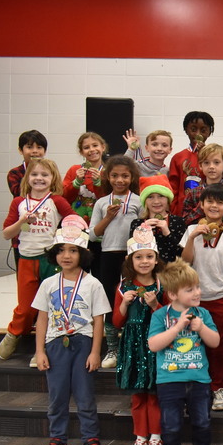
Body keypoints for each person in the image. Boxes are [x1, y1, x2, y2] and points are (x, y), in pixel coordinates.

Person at [31, 215, 110, 445]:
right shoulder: (48, 284)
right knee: (57, 395)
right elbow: (42, 319)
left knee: (85, 395)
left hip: (83, 343)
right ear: (54, 253)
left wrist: (96, 352)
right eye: (62, 250)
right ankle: (58, 440)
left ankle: (91, 440)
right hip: (55, 344)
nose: (67, 256)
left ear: (82, 254)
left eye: (73, 251)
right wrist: (40, 351)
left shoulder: (93, 284)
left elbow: (99, 321)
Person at [148, 259, 221, 445]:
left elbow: (215, 341)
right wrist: (178, 326)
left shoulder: (203, 314)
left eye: (197, 287)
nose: (197, 292)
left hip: (199, 379)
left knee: (202, 420)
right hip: (169, 380)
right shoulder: (161, 316)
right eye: (190, 289)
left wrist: (201, 329)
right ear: (172, 294)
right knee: (170, 422)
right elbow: (153, 345)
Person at [0, 158, 74, 364]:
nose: (39, 178)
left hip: (50, 260)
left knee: (51, 305)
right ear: (27, 178)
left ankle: (43, 349)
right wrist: (22, 221)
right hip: (26, 259)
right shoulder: (18, 203)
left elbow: (75, 222)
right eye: (35, 174)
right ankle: (14, 333)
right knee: (26, 307)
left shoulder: (56, 201)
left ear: (53, 179)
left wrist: (62, 242)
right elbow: (6, 233)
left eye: (44, 175)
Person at [178, 183, 223, 412]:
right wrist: (192, 237)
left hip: (221, 298)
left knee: (219, 347)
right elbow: (185, 262)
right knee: (193, 344)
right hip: (195, 298)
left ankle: (218, 387)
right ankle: (196, 389)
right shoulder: (191, 230)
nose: (214, 206)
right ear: (202, 204)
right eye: (210, 201)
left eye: (220, 202)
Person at [113, 226, 165, 445]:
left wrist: (155, 305)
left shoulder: (162, 284)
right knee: (137, 395)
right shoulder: (124, 285)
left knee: (154, 394)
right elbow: (116, 321)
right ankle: (140, 437)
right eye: (139, 257)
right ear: (130, 260)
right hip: (133, 346)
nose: (144, 262)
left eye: (149, 257)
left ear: (156, 259)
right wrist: (124, 303)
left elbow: (170, 319)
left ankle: (156, 436)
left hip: (155, 344)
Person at [89, 155, 142, 369]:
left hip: (132, 255)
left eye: (125, 176)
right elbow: (92, 235)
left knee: (132, 297)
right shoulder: (102, 203)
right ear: (107, 177)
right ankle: (112, 347)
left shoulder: (138, 201)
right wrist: (108, 217)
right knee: (110, 299)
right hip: (108, 254)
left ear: (132, 177)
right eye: (115, 176)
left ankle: (132, 344)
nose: (120, 180)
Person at [181, 144, 223, 227]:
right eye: (206, 163)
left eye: (216, 162)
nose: (211, 167)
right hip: (199, 237)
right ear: (200, 166)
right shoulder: (193, 194)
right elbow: (185, 222)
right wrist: (203, 205)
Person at [129, 175, 186, 263]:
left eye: (161, 196)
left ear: (168, 199)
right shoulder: (137, 224)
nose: (156, 201)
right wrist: (143, 231)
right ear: (145, 201)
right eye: (150, 197)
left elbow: (183, 254)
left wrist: (167, 233)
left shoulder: (178, 222)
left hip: (172, 272)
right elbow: (133, 254)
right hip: (146, 272)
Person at [167, 111, 214, 216]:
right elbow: (173, 188)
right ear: (186, 130)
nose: (198, 134)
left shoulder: (214, 157)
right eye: (193, 129)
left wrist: (205, 156)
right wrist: (174, 212)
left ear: (209, 132)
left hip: (208, 212)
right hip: (182, 212)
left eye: (203, 130)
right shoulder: (178, 157)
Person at [61, 131, 107, 224]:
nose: (91, 149)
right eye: (86, 147)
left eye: (95, 145)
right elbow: (64, 197)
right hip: (76, 221)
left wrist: (98, 184)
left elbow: (107, 201)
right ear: (81, 152)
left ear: (103, 147)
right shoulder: (74, 170)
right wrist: (76, 182)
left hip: (100, 223)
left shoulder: (108, 173)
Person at [7, 129, 48, 197]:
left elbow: (56, 191)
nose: (35, 151)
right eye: (29, 147)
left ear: (45, 151)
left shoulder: (50, 171)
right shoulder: (14, 173)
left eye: (39, 147)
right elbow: (18, 193)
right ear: (20, 150)